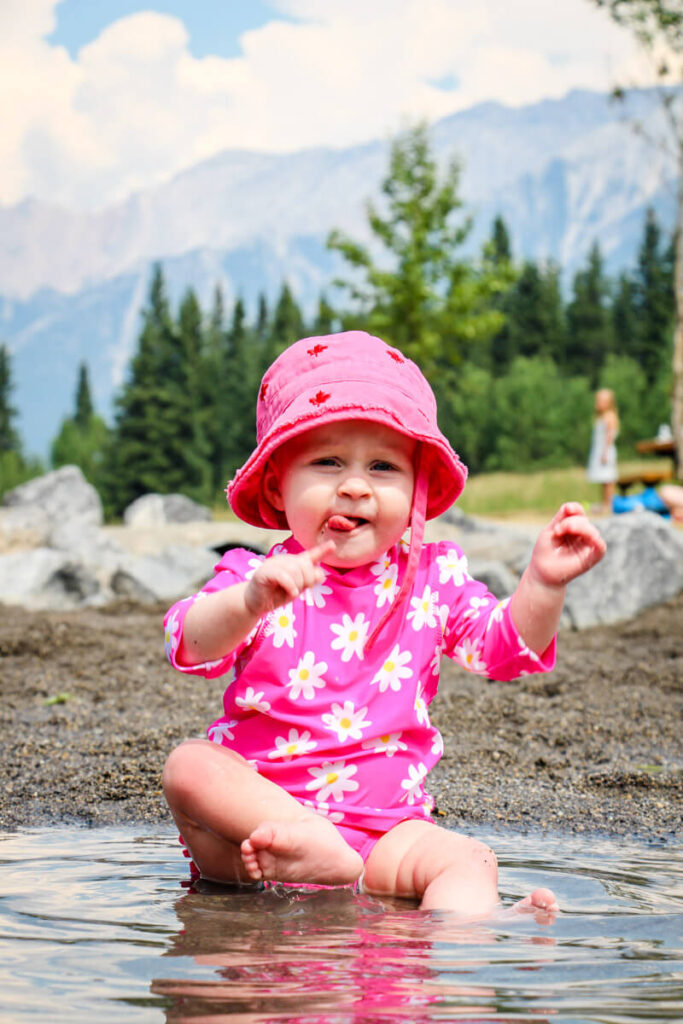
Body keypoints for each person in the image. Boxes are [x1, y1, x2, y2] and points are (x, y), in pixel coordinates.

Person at [162, 331, 606, 919]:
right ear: (276, 482)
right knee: (188, 767)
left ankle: (475, 931)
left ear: (418, 488)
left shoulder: (432, 578)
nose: (354, 484)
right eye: (327, 462)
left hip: (387, 836)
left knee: (469, 860)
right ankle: (312, 847)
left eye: (383, 466)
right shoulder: (260, 577)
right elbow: (188, 642)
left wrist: (544, 584)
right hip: (257, 839)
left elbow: (503, 650)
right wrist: (248, 603)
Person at [586, 389, 619, 514]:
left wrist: (605, 453)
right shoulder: (601, 416)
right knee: (603, 479)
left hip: (606, 451)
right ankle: (605, 503)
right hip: (600, 450)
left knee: (608, 479)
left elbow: (610, 436)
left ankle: (608, 504)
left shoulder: (610, 416)